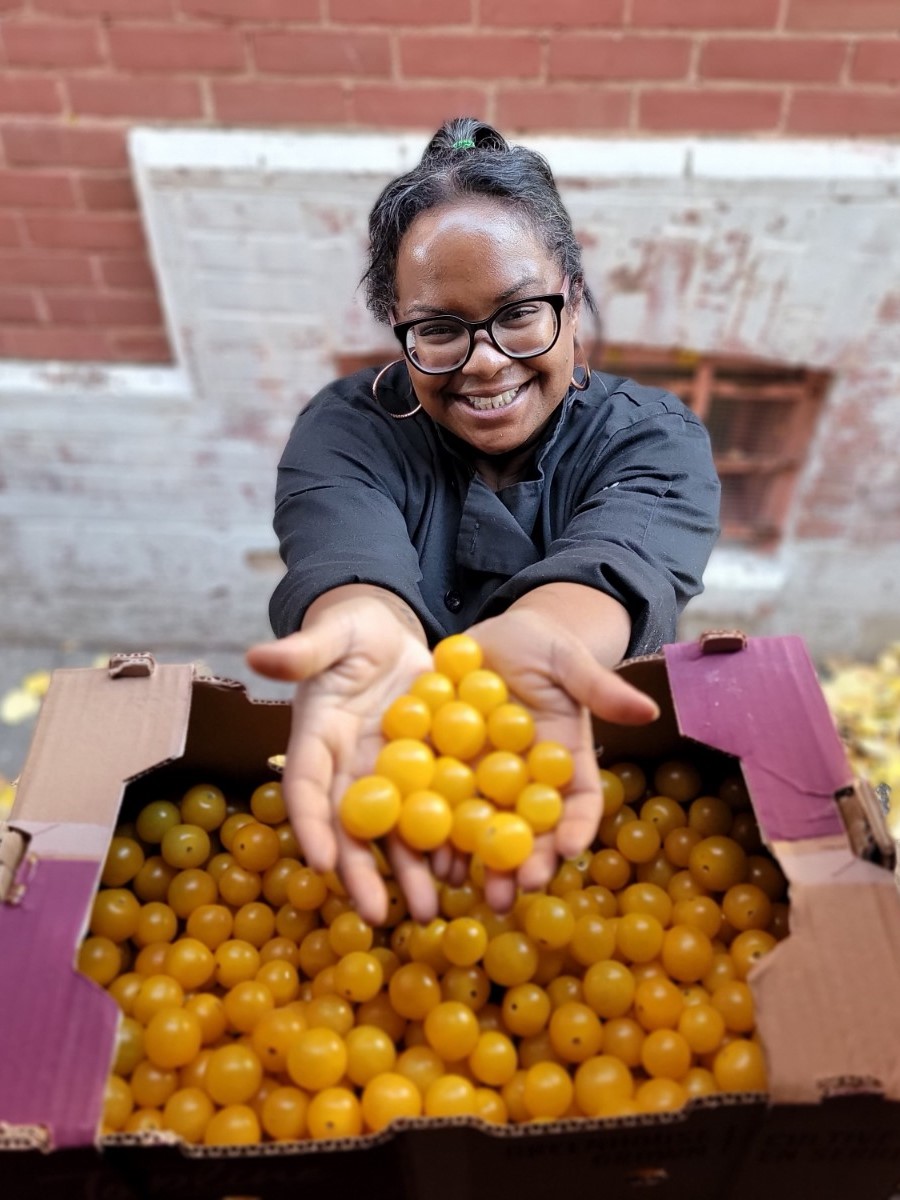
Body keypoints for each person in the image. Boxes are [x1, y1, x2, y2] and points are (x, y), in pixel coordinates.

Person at [247, 117, 721, 927]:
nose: (486, 361)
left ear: (571, 298)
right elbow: (347, 558)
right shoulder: (348, 429)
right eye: (438, 329)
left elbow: (611, 567)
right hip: (393, 773)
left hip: (574, 766)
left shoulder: (653, 440)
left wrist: (546, 641)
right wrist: (365, 624)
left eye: (518, 313)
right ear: (399, 329)